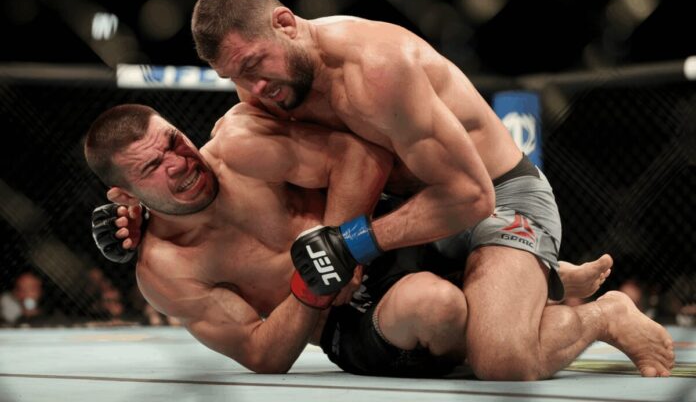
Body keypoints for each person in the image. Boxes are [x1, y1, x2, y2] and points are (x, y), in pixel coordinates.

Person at [184, 0, 673, 379]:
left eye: (255, 64)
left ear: (286, 23)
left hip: (495, 198)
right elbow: (264, 166)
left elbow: (471, 196)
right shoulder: (266, 90)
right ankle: (541, 283)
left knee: (502, 361)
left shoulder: (377, 70)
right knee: (436, 321)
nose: (253, 88)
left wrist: (351, 242)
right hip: (407, 219)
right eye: (236, 77)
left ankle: (603, 315)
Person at [86, 103, 671, 378]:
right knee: (438, 308)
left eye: (172, 140)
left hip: (380, 237)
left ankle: (536, 280)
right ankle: (597, 314)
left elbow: (358, 155)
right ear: (123, 193)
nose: (178, 161)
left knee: (442, 210)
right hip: (350, 322)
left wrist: (343, 245)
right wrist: (315, 286)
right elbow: (262, 354)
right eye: (152, 166)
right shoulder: (166, 269)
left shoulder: (241, 147)